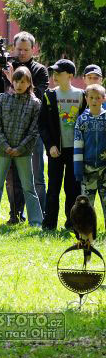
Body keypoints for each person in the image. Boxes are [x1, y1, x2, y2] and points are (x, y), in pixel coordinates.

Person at [0, 31, 49, 220]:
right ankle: (15, 214)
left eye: (25, 50)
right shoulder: (6, 64)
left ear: (33, 49)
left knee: (35, 178)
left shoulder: (39, 70)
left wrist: (14, 77)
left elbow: (40, 98)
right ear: (13, 48)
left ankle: (40, 216)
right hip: (8, 131)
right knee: (11, 180)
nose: (21, 53)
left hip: (30, 132)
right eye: (18, 49)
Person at [0, 66, 44, 230]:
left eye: (23, 82)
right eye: (16, 81)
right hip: (3, 151)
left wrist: (20, 148)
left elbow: (34, 131)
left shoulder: (35, 103)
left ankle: (36, 222)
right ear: (12, 81)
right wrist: (6, 146)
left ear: (29, 83)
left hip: (23, 152)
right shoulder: (2, 99)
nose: (19, 85)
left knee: (28, 187)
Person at [39, 59, 85, 230]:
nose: (55, 75)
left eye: (59, 73)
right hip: (55, 150)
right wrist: (50, 145)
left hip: (75, 150)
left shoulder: (81, 95)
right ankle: (49, 224)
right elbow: (42, 124)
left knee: (72, 188)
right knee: (53, 187)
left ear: (70, 76)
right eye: (53, 72)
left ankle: (71, 223)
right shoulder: (49, 95)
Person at [74, 84, 106, 226]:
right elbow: (78, 145)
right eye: (91, 97)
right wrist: (78, 170)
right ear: (86, 99)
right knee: (86, 206)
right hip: (87, 171)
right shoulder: (82, 120)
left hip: (105, 170)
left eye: (97, 98)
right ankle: (87, 231)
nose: (94, 100)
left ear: (103, 99)